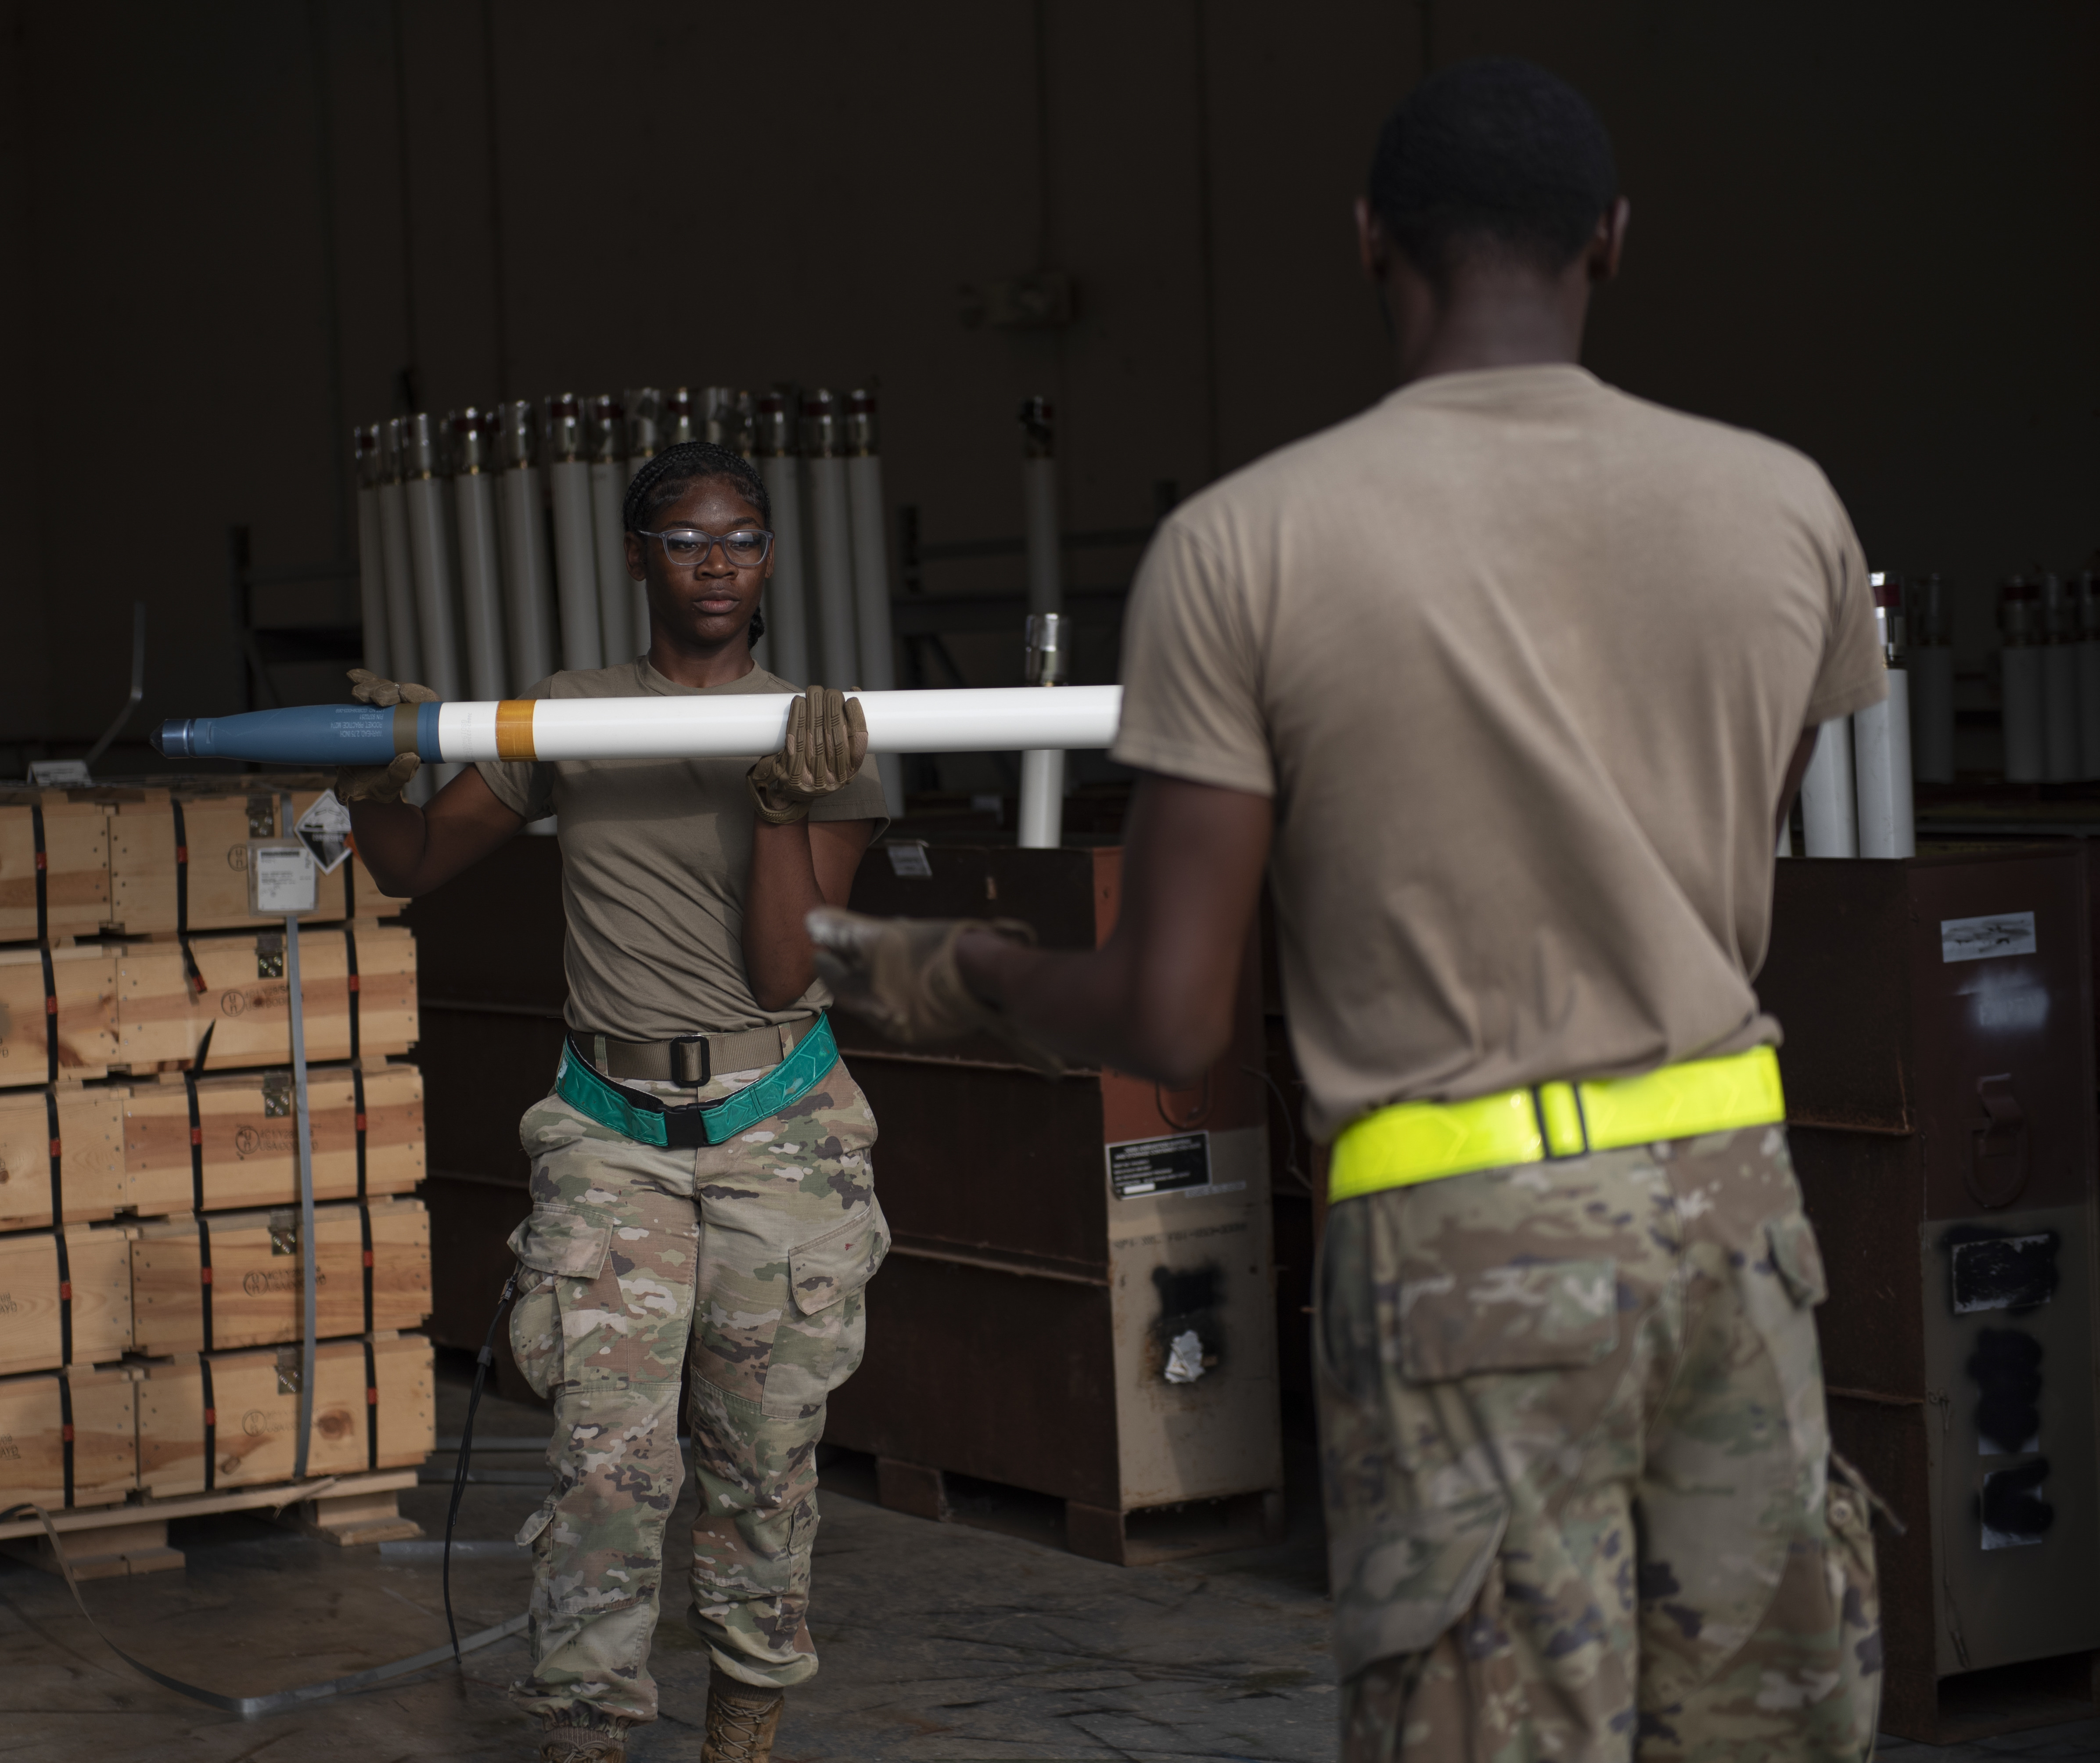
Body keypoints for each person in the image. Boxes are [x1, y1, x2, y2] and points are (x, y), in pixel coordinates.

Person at [809, 58, 1885, 1763]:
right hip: (1734, 1227)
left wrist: (970, 970)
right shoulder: (1783, 504)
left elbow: (1173, 1011)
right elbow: (1728, 849)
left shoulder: (1250, 544)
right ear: (1609, 240)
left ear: (1370, 242)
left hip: (1466, 1251)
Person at [345, 439, 889, 1763]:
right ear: (637, 555)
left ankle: (745, 1724)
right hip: (614, 1133)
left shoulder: (822, 730)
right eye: (690, 537)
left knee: (761, 1462)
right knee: (605, 1466)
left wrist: (785, 801)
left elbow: (781, 970)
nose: (720, 561)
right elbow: (413, 863)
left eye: (746, 538)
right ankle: (586, 1734)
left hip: (781, 1127)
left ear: (770, 558)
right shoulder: (569, 714)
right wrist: (375, 768)